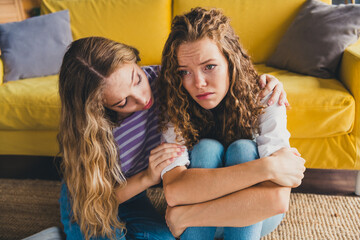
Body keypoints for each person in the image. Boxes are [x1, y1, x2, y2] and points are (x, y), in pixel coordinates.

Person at [57, 36, 288, 239]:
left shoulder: (164, 81)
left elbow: (217, 70)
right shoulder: (88, 129)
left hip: (135, 198)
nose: (142, 98)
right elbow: (97, 202)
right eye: (122, 102)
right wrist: (148, 177)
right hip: (90, 200)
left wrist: (267, 81)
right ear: (98, 107)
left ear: (135, 61)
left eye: (136, 79)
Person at [157, 7, 306, 240]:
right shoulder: (175, 102)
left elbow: (276, 200)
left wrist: (187, 216)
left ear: (231, 61)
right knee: (206, 149)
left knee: (243, 149)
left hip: (251, 215)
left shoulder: (266, 95)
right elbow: (175, 192)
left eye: (209, 66)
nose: (198, 83)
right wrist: (268, 167)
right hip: (196, 220)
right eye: (185, 72)